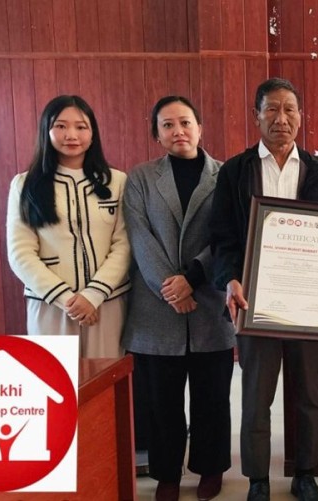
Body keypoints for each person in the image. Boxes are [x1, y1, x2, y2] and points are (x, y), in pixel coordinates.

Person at [209, 77, 318, 501]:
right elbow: (222, 237)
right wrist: (229, 279)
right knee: (256, 399)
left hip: (311, 305)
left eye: (290, 110)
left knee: (309, 395)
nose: (282, 118)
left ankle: (305, 474)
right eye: (272, 109)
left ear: (300, 117)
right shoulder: (235, 172)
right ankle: (258, 479)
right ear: (256, 116)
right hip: (256, 302)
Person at [121, 96, 234, 501]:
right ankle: (166, 473)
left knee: (212, 399)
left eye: (185, 122)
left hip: (209, 302)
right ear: (156, 134)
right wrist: (170, 286)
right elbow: (138, 236)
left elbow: (229, 237)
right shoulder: (140, 178)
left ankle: (210, 469)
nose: (177, 131)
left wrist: (192, 278)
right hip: (156, 307)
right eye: (167, 125)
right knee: (161, 402)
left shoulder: (226, 175)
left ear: (200, 127)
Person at [6, 95, 130, 358]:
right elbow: (21, 253)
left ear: (93, 133)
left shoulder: (117, 181)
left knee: (105, 390)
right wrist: (68, 300)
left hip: (107, 304)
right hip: (50, 305)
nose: (71, 134)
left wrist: (93, 295)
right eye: (61, 126)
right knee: (56, 389)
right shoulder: (24, 184)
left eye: (81, 126)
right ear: (46, 131)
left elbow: (125, 245)